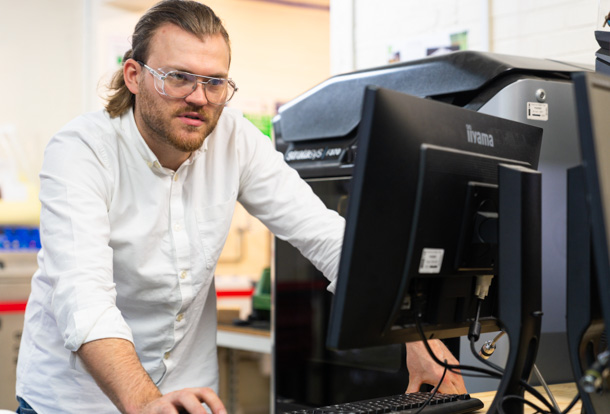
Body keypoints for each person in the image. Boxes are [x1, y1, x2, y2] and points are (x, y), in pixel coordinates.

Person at [15, 1, 465, 413]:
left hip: (191, 397)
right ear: (134, 75)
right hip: (76, 401)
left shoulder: (236, 139)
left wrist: (412, 331)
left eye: (214, 82)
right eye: (178, 77)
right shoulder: (79, 151)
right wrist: (144, 402)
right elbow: (83, 296)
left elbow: (326, 236)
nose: (199, 97)